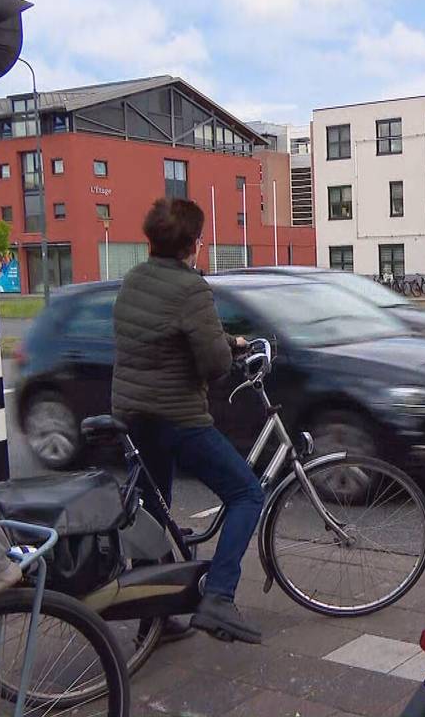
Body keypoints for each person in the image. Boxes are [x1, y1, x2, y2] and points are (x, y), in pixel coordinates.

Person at [112, 197, 265, 644]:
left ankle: (153, 619)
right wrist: (228, 351)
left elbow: (164, 335)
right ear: (193, 243)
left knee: (151, 514)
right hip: (175, 416)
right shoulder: (191, 288)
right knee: (246, 493)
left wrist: (227, 340)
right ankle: (218, 597)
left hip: (132, 415)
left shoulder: (134, 280)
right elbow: (214, 365)